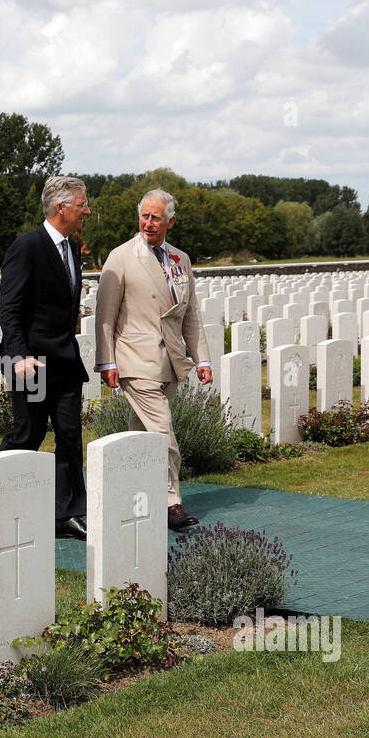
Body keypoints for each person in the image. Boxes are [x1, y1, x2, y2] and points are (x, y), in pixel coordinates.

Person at [94, 188, 213, 531]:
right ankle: (171, 502)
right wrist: (107, 361)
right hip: (135, 359)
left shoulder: (180, 260)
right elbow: (105, 315)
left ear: (170, 222)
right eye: (144, 216)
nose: (148, 223)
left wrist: (202, 359)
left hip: (170, 360)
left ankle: (128, 493)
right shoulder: (121, 257)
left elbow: (190, 314)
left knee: (141, 434)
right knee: (162, 432)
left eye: (156, 217)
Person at [0, 176, 90, 540]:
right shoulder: (27, 246)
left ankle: (69, 513)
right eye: (82, 204)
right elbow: (9, 306)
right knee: (28, 434)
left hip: (64, 362)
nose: (87, 211)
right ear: (61, 208)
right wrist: (19, 356)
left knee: (70, 435)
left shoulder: (72, 248)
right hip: (30, 365)